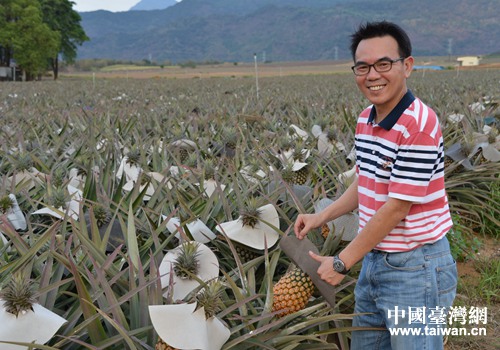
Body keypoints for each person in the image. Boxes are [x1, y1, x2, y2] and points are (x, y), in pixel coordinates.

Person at [294, 21, 457, 350]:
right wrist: (321, 216)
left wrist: (342, 261)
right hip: (373, 258)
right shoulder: (366, 118)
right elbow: (366, 181)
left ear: (407, 66)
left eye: (384, 64)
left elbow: (398, 207)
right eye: (363, 66)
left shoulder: (419, 124)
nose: (372, 75)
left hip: (416, 266)